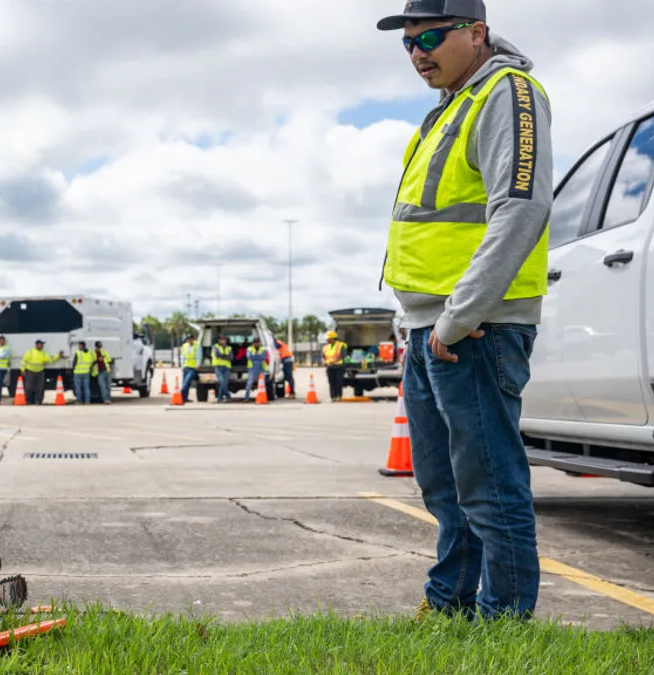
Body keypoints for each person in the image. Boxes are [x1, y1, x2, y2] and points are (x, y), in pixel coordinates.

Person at [378, 0, 552, 621]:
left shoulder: (508, 92)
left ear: (476, 33)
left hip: (476, 327)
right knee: (443, 484)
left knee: (490, 485)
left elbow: (521, 208)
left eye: (430, 35)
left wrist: (458, 315)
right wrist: (419, 323)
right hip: (433, 328)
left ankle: (504, 622)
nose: (418, 51)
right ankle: (450, 603)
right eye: (407, 42)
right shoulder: (448, 108)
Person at [21, 340, 62, 404]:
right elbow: (24, 361)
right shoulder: (30, 352)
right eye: (40, 344)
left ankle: (38, 401)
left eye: (42, 345)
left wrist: (58, 356)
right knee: (28, 387)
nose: (42, 346)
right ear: (36, 345)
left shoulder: (44, 353)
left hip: (40, 372)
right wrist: (22, 370)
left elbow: (51, 361)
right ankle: (28, 401)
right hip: (30, 372)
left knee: (40, 388)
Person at [322, 331, 348, 401]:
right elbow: (324, 356)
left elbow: (342, 356)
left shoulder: (341, 345)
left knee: (338, 382)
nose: (327, 340)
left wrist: (333, 362)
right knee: (331, 382)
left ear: (333, 338)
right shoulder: (325, 347)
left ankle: (339, 396)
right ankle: (333, 397)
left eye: (328, 339)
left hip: (339, 366)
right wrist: (325, 362)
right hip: (330, 367)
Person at [244, 336, 268, 402]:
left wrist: (254, 356)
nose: (256, 344)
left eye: (258, 342)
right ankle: (246, 398)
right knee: (249, 383)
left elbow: (263, 357)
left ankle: (262, 397)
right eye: (255, 342)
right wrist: (258, 357)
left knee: (262, 384)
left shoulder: (263, 349)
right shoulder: (249, 349)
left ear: (259, 342)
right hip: (252, 368)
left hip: (261, 368)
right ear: (253, 343)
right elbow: (249, 357)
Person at [211, 335, 233, 403]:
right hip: (218, 366)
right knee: (222, 381)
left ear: (226, 340)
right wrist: (226, 356)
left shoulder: (229, 348)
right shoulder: (215, 346)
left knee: (224, 382)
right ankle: (227, 395)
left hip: (227, 367)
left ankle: (220, 398)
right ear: (219, 340)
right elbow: (217, 354)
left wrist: (222, 356)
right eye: (221, 339)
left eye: (224, 339)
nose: (223, 341)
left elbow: (231, 357)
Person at [180, 335, 200, 402]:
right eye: (188, 339)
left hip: (193, 368)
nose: (189, 340)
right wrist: (182, 366)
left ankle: (181, 397)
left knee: (186, 382)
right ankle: (184, 398)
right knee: (185, 383)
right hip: (186, 367)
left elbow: (199, 356)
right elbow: (182, 356)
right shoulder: (184, 346)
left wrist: (197, 365)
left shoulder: (197, 346)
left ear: (193, 339)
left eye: (190, 339)